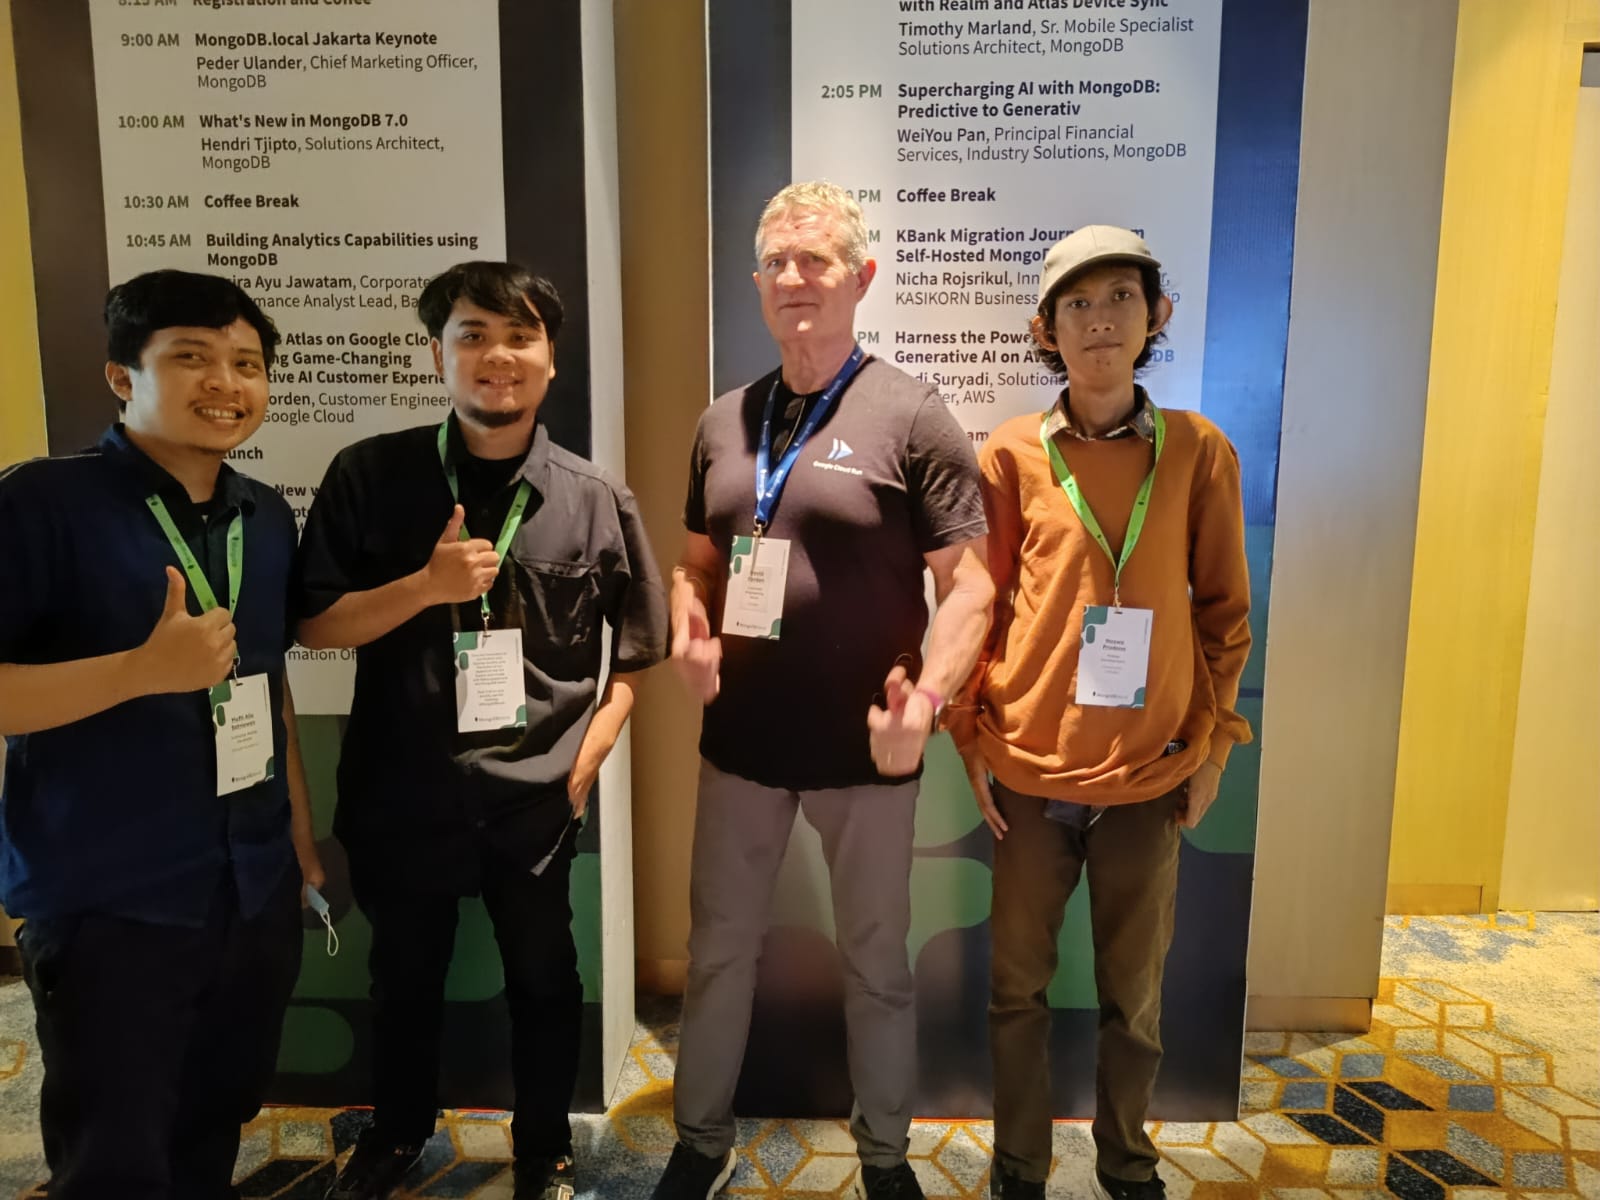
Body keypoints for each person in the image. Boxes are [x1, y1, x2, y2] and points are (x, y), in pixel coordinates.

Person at [650, 181, 993, 1200]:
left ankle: (885, 1157)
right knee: (717, 956)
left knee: (878, 965)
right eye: (777, 262)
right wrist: (686, 624)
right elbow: (693, 563)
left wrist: (927, 704)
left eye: (817, 260)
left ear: (861, 278)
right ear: (757, 282)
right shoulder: (723, 420)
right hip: (740, 746)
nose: (794, 278)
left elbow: (970, 585)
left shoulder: (913, 414)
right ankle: (700, 1144)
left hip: (865, 747)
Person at [295, 261, 667, 1200]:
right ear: (438, 355)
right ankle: (397, 1134)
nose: (497, 356)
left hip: (535, 800)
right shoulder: (369, 475)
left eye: (520, 337)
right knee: (402, 980)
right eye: (472, 335)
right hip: (399, 791)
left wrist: (591, 753)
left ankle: (544, 1145)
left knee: (545, 980)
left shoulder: (594, 495)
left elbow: (636, 653)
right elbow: (315, 625)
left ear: (551, 360)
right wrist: (424, 588)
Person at [0, 269, 322, 1199]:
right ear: (121, 376)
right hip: (114, 900)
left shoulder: (265, 515)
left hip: (250, 887)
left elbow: (267, 684)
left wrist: (296, 839)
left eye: (247, 363)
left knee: (212, 1123)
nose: (226, 382)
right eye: (192, 357)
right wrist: (138, 671)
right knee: (115, 1157)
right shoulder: (41, 505)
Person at [947, 226, 1253, 1200]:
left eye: (1119, 296)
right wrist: (969, 734)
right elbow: (980, 604)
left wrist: (1213, 748)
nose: (1099, 321)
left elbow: (1225, 615)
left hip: (1149, 776)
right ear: (1047, 330)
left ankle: (1127, 1167)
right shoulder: (1010, 454)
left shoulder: (1198, 451)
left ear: (1156, 314)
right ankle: (1019, 1171)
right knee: (1016, 994)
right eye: (1075, 304)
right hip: (1028, 777)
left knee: (1135, 1001)